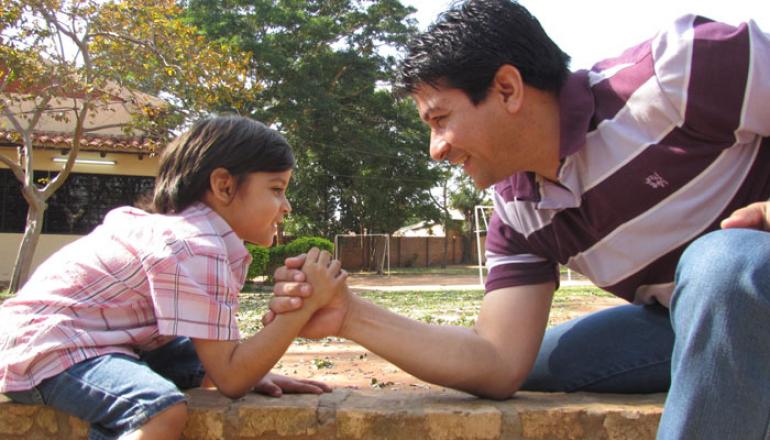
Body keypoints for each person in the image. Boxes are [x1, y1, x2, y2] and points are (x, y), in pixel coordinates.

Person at [263, 1, 770, 439]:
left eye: (440, 120)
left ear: (507, 89)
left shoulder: (675, 73)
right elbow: (497, 361)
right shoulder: (517, 209)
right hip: (691, 318)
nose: (435, 149)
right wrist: (350, 315)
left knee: (722, 262)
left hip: (744, 283)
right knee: (543, 359)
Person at [0, 116, 348, 440]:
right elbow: (231, 378)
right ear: (224, 186)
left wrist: (252, 370)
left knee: (187, 350)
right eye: (276, 188)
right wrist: (303, 306)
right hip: (52, 348)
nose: (286, 206)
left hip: (87, 338)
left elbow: (221, 361)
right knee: (159, 410)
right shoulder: (198, 244)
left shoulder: (185, 233)